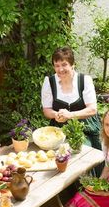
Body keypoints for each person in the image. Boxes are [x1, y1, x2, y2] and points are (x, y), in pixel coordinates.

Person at [41, 46, 103, 174]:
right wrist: (56, 114)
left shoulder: (84, 80)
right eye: (57, 65)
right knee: (59, 157)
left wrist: (70, 115)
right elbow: (47, 111)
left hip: (85, 127)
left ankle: (91, 186)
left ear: (73, 64)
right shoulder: (49, 82)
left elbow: (92, 110)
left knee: (82, 155)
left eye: (64, 64)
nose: (61, 69)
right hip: (59, 129)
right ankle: (67, 190)